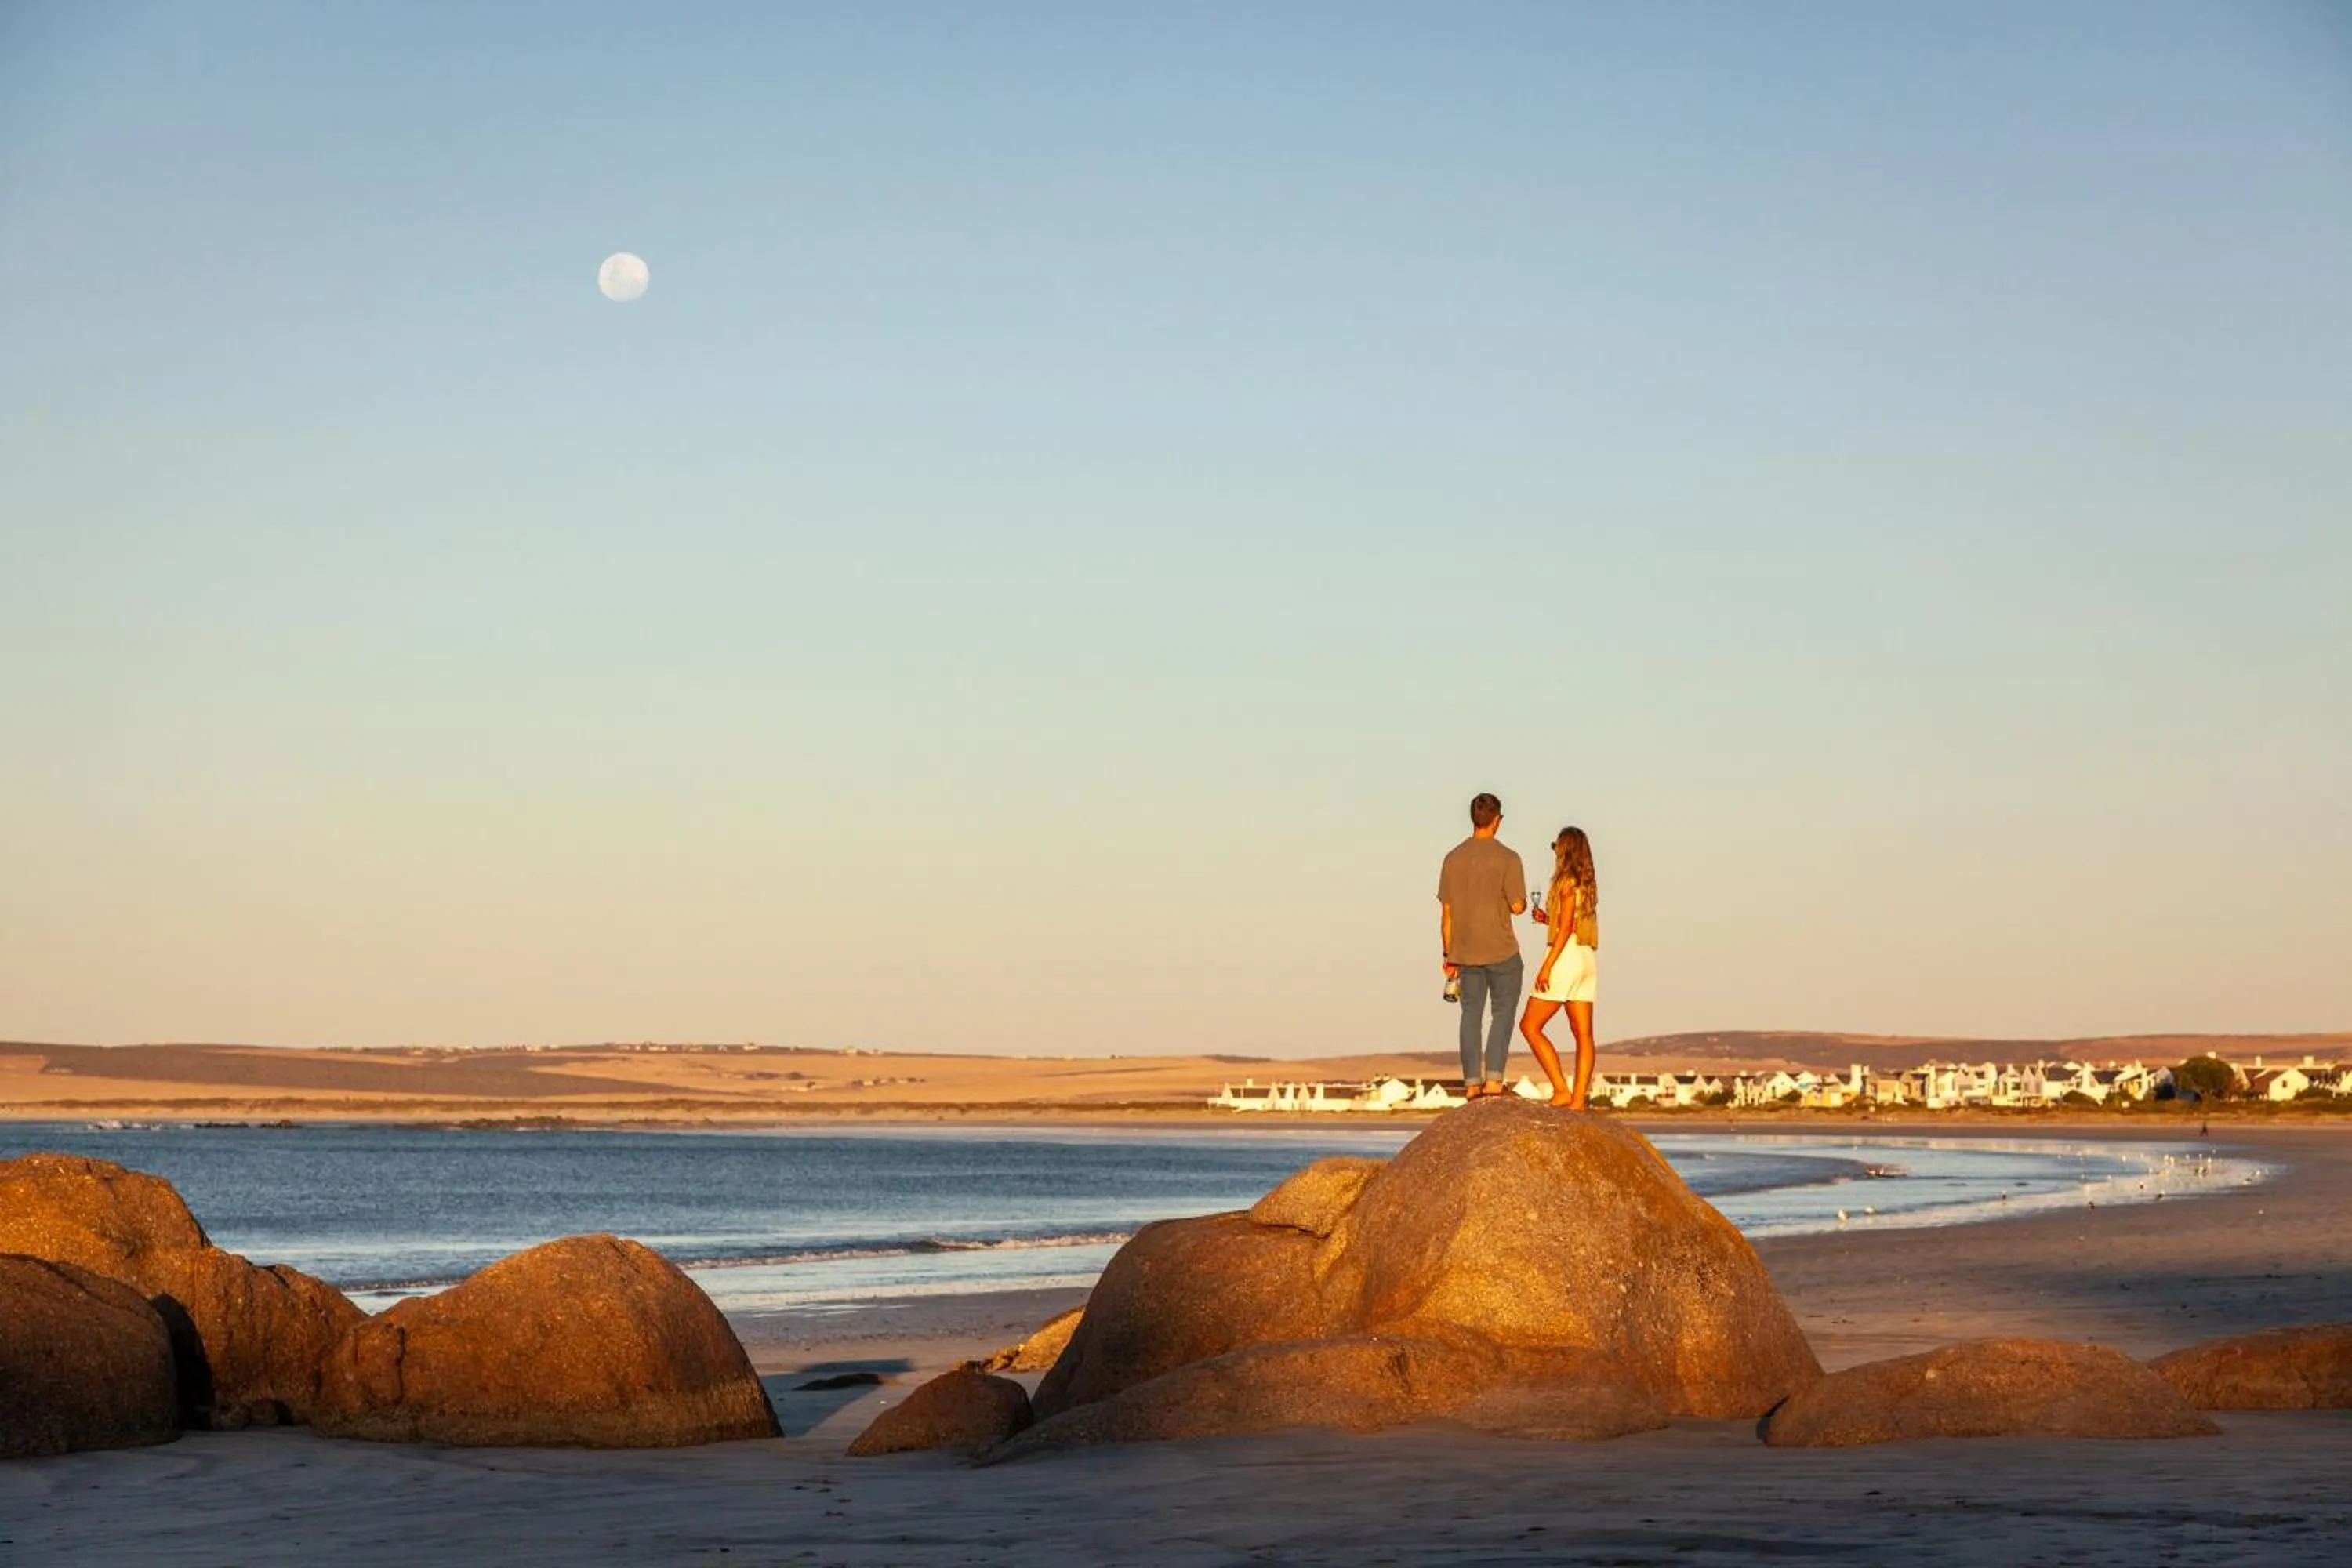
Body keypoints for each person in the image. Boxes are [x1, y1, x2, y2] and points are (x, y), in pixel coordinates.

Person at [1437, 793, 1527, 1099]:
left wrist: (1448, 953)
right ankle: (1494, 1082)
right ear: (1497, 820)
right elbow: (1517, 906)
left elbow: (1446, 913)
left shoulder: (1452, 858)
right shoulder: (1508, 858)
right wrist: (1523, 902)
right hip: (1501, 950)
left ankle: (1472, 1083)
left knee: (1470, 1016)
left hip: (1464, 952)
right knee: (1502, 1014)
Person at [1519, 826, 1600, 1109]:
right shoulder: (1586, 882)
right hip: (1585, 959)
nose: (1554, 851)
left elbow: (1565, 929)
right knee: (1584, 1033)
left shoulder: (1566, 881)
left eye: (1556, 846)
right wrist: (1546, 921)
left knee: (1529, 1026)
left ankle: (1560, 1089)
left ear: (1564, 849)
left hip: (1564, 958)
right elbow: (1574, 925)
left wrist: (1546, 968)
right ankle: (1578, 1100)